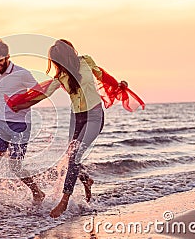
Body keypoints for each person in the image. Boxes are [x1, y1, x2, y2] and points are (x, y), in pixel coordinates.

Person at [9, 39, 129, 218]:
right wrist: (21, 105)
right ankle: (86, 180)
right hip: (77, 117)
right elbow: (42, 94)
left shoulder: (86, 61)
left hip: (95, 116)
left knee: (75, 156)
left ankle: (64, 202)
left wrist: (117, 85)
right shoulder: (61, 77)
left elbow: (102, 75)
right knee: (71, 156)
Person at [0, 37, 45, 215]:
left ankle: (38, 193)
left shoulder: (22, 73)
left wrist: (22, 105)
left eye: (0, 61)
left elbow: (39, 93)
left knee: (15, 166)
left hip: (21, 125)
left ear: (8, 57)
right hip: (1, 123)